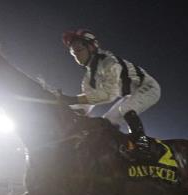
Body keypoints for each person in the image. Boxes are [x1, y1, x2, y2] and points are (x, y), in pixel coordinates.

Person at [60, 29, 161, 158]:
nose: (77, 56)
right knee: (107, 121)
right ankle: (117, 150)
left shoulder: (109, 62)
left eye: (79, 50)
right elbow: (87, 103)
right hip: (130, 94)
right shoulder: (88, 77)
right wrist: (65, 107)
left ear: (91, 47)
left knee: (126, 108)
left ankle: (143, 145)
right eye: (73, 54)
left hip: (149, 87)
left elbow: (109, 95)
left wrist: (72, 99)